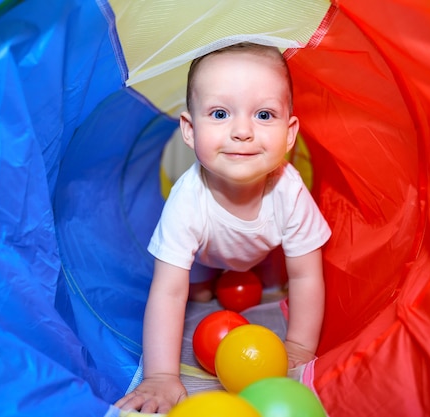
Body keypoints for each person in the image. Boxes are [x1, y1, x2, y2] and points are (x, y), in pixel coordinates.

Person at [115, 42, 331, 414]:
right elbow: (167, 292)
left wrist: (299, 344)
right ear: (189, 129)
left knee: (271, 275)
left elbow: (307, 276)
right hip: (206, 253)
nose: (242, 131)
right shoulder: (188, 200)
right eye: (219, 113)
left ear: (290, 132)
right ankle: (206, 280)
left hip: (262, 253)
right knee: (194, 291)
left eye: (264, 115)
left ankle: (241, 274)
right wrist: (162, 376)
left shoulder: (289, 191)